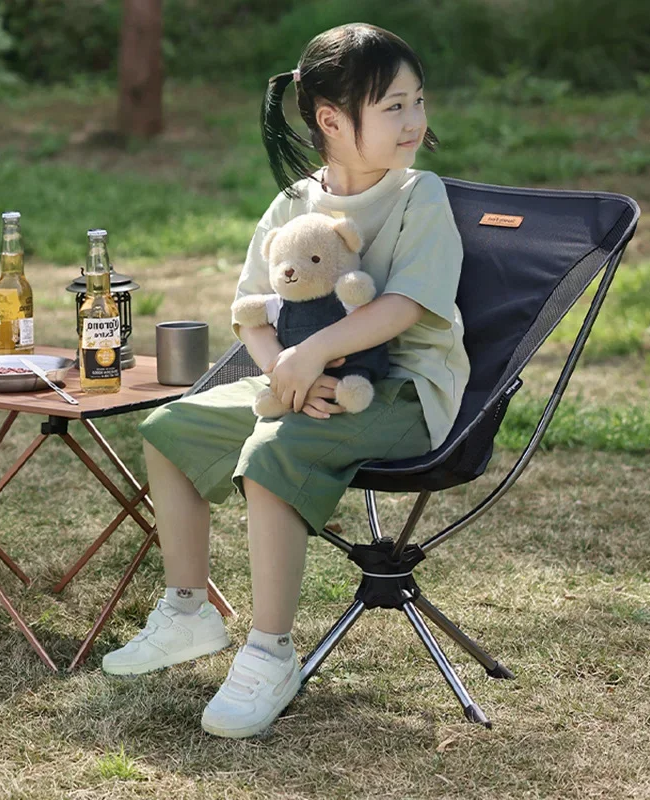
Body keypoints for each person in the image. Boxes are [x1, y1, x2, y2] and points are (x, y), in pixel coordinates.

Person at [102, 22, 470, 739]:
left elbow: (404, 306)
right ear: (332, 120)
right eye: (394, 106)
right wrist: (285, 369)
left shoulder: (419, 196)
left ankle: (270, 651)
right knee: (170, 428)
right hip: (298, 383)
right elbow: (253, 313)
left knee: (271, 454)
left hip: (400, 392)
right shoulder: (293, 205)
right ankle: (188, 611)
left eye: (417, 101)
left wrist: (314, 356)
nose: (415, 121)